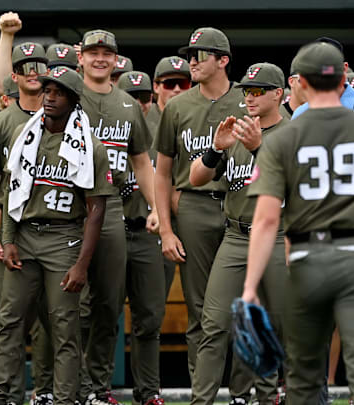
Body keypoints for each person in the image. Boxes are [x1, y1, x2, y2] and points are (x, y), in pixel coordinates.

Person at [240, 41, 354, 405]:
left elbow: (267, 219)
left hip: (308, 256)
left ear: (300, 84)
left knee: (304, 374)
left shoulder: (283, 136)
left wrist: (248, 288)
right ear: (343, 80)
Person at [0, 66, 114, 405]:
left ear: (73, 99)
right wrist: (8, 239)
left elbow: (96, 209)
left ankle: (66, 399)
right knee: (9, 322)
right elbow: (12, 193)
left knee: (64, 329)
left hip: (64, 237)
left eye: (58, 92)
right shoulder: (24, 135)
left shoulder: (90, 146)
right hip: (25, 236)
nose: (50, 97)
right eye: (47, 91)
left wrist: (82, 265)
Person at [188, 62, 288, 405]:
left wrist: (260, 148)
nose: (250, 97)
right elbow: (196, 178)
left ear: (279, 94)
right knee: (213, 324)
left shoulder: (293, 132)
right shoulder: (239, 129)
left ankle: (266, 398)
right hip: (235, 236)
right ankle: (201, 401)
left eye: (258, 91)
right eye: (246, 91)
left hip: (276, 236)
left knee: (269, 327)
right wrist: (216, 148)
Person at [154, 28, 248, 392]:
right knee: (200, 309)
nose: (192, 61)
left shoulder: (247, 99)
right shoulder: (177, 106)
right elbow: (161, 173)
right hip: (193, 206)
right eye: (190, 54)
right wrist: (165, 229)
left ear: (223, 60)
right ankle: (202, 392)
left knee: (244, 308)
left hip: (241, 205)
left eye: (201, 54)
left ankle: (243, 393)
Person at [75, 29, 156, 405]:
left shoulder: (127, 104)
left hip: (111, 208)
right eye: (93, 52)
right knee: (72, 306)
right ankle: (66, 385)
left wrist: (157, 207)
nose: (100, 58)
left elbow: (141, 159)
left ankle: (96, 387)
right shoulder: (68, 97)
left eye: (106, 52)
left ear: (116, 60)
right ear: (81, 57)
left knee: (108, 303)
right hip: (71, 209)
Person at [0, 41, 49, 405]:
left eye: (40, 64)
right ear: (14, 77)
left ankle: (45, 392)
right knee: (0, 320)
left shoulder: (67, 114)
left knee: (51, 322)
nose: (33, 71)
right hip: (7, 232)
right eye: (25, 66)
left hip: (54, 232)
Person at [116, 69, 167, 405]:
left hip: (147, 231)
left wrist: (159, 208)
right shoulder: (109, 130)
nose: (138, 103)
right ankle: (95, 388)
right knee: (101, 316)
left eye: (144, 97)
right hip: (111, 231)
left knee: (149, 317)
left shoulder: (160, 130)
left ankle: (148, 392)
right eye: (131, 97)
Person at [149, 56, 192, 295]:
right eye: (169, 83)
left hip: (189, 216)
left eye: (183, 84)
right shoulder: (144, 119)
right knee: (151, 302)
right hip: (151, 221)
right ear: (156, 87)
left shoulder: (196, 118)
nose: (176, 89)